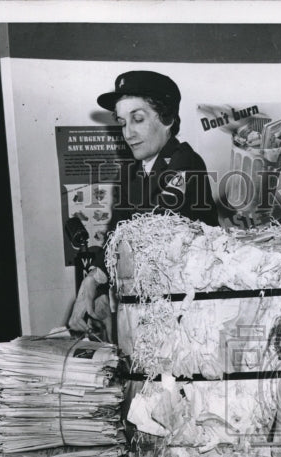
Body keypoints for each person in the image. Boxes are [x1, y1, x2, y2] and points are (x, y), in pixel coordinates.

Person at [68, 70, 218, 336]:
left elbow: (151, 229)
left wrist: (98, 281)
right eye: (122, 122)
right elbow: (116, 234)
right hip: (146, 306)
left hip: (185, 309)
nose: (128, 133)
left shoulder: (186, 162)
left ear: (168, 119)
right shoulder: (130, 173)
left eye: (138, 119)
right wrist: (98, 285)